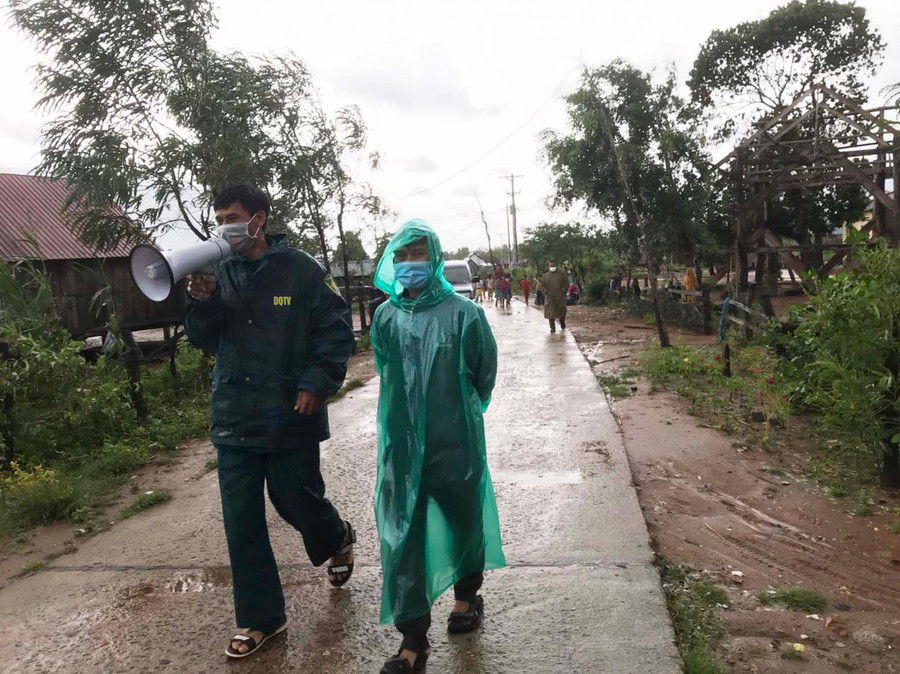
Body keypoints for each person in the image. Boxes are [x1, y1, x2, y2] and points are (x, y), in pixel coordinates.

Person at [183, 184, 357, 660]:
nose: (226, 227)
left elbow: (335, 329)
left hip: (289, 413)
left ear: (259, 219)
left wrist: (316, 382)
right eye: (219, 218)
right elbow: (204, 340)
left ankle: (337, 535)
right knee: (241, 522)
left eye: (234, 216)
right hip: (234, 416)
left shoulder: (300, 269)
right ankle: (263, 619)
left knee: (295, 499)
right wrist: (202, 302)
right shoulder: (219, 272)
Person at [370, 220, 505, 674]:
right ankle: (412, 642)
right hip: (401, 449)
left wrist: (461, 412)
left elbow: (484, 373)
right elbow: (386, 371)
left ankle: (466, 597)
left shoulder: (465, 314)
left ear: (434, 256)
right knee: (401, 536)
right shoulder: (385, 316)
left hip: (455, 442)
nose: (410, 263)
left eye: (418, 253)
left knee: (463, 519)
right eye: (402, 255)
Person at [540, 261, 569, 333]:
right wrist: (546, 292)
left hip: (560, 296)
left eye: (553, 266)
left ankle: (562, 322)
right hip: (550, 297)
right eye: (551, 266)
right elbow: (542, 285)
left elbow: (566, 283)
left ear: (556, 266)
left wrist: (563, 291)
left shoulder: (561, 274)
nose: (552, 267)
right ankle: (552, 328)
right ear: (549, 267)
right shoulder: (545, 276)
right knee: (550, 313)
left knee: (562, 311)